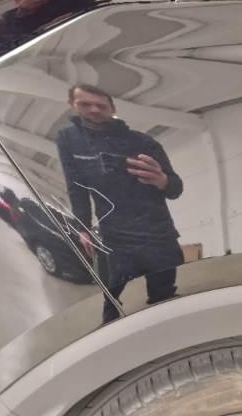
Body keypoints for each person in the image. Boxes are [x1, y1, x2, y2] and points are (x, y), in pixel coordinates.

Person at [56, 84, 184, 323]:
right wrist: (82, 228)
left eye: (101, 105)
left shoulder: (143, 142)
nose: (94, 110)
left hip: (157, 231)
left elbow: (176, 188)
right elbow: (76, 188)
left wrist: (162, 180)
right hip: (114, 235)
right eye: (85, 104)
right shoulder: (68, 140)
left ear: (112, 108)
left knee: (164, 295)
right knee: (111, 300)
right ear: (72, 105)